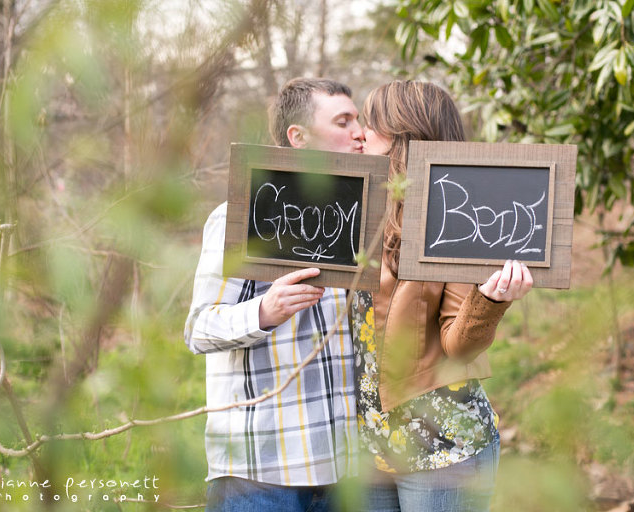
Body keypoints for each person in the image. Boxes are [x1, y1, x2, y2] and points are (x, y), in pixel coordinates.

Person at [351, 81, 533, 512]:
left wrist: (489, 302)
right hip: (371, 447)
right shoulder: (360, 205)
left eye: (369, 123)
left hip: (441, 449)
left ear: (403, 134)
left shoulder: (453, 217)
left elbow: (457, 345)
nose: (360, 133)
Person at [184, 78, 365, 512]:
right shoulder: (240, 214)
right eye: (344, 121)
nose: (360, 132)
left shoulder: (362, 215)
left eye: (359, 120)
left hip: (344, 470)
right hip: (260, 471)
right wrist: (264, 311)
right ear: (298, 138)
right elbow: (198, 328)